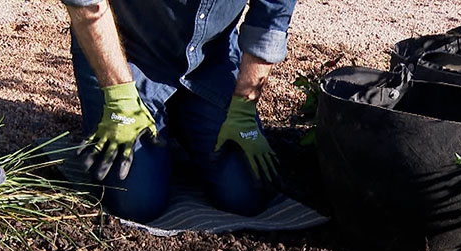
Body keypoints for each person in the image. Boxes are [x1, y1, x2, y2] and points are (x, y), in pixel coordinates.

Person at [61, 0, 297, 222]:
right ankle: (167, 122)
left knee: (246, 194)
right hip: (125, 56)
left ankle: (182, 118)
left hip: (209, 60)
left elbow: (272, 13)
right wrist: (118, 98)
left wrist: (243, 109)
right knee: (138, 202)